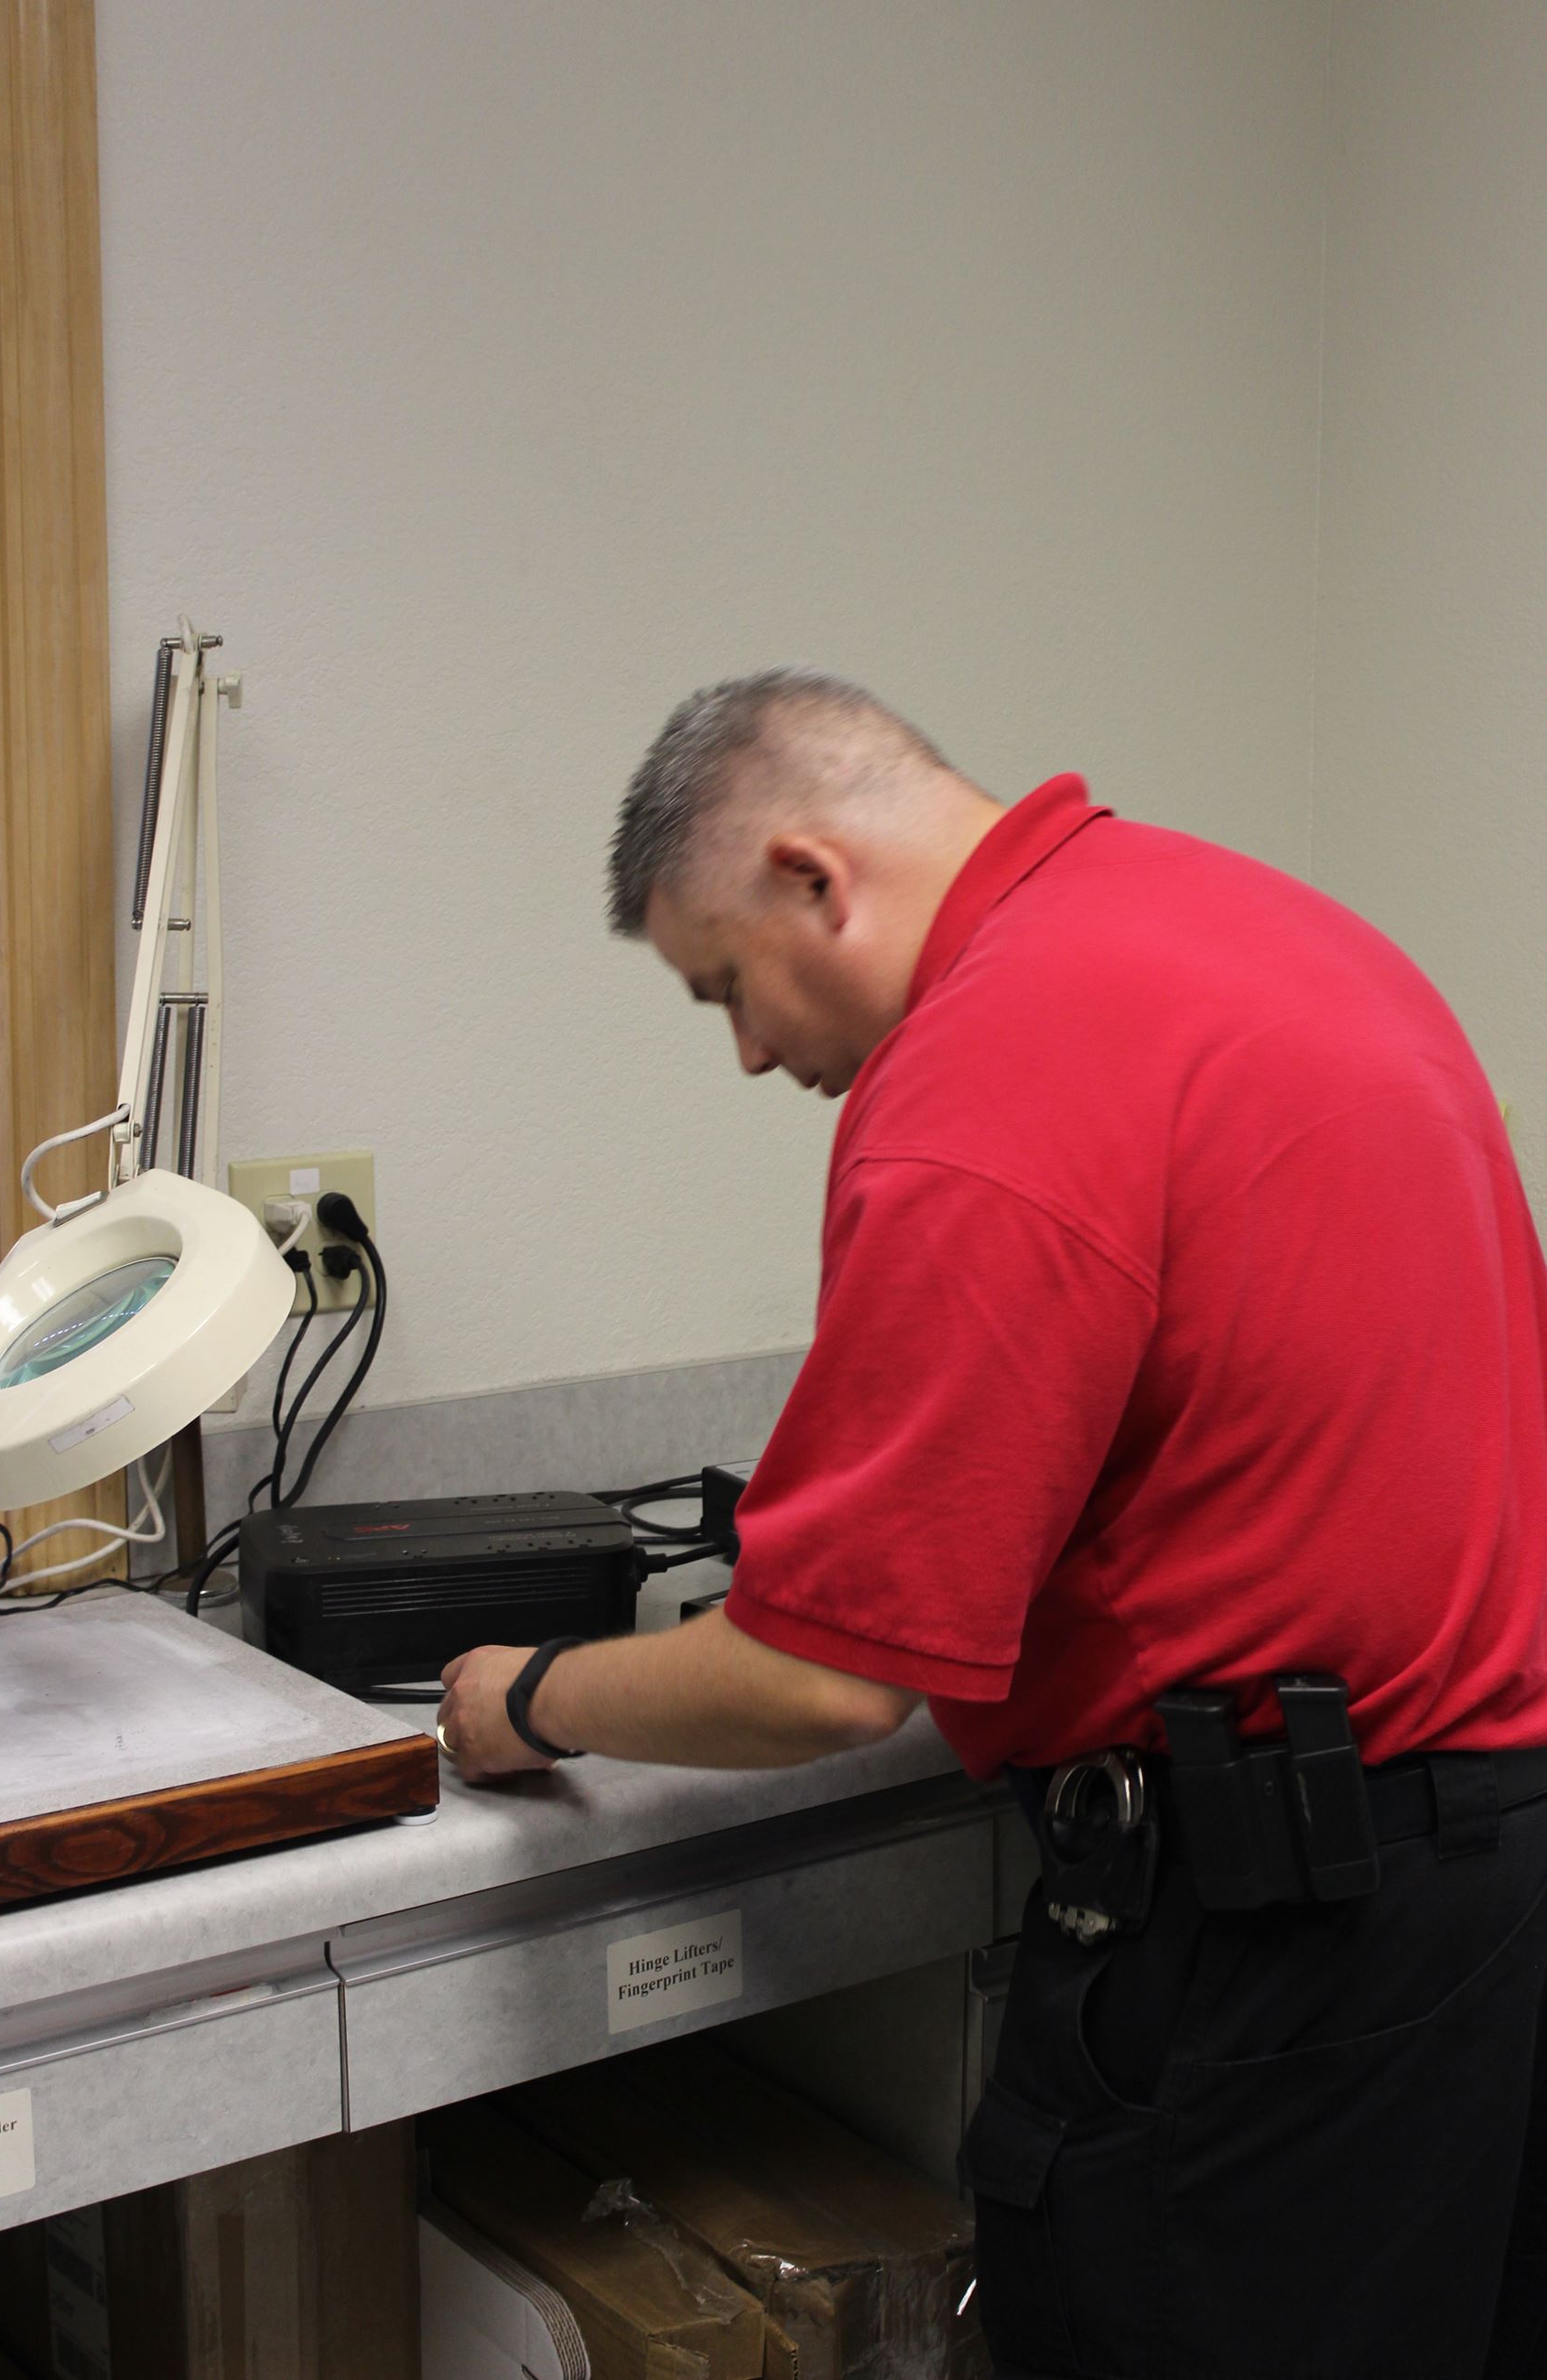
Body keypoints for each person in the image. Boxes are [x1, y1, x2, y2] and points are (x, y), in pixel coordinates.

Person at [437, 668, 1547, 2380]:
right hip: (1478, 1891)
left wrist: (528, 1695)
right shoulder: (1248, 922)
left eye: (724, 983)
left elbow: (822, 1682)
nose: (744, 1050)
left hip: (1278, 1932)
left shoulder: (986, 1072)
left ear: (813, 876)